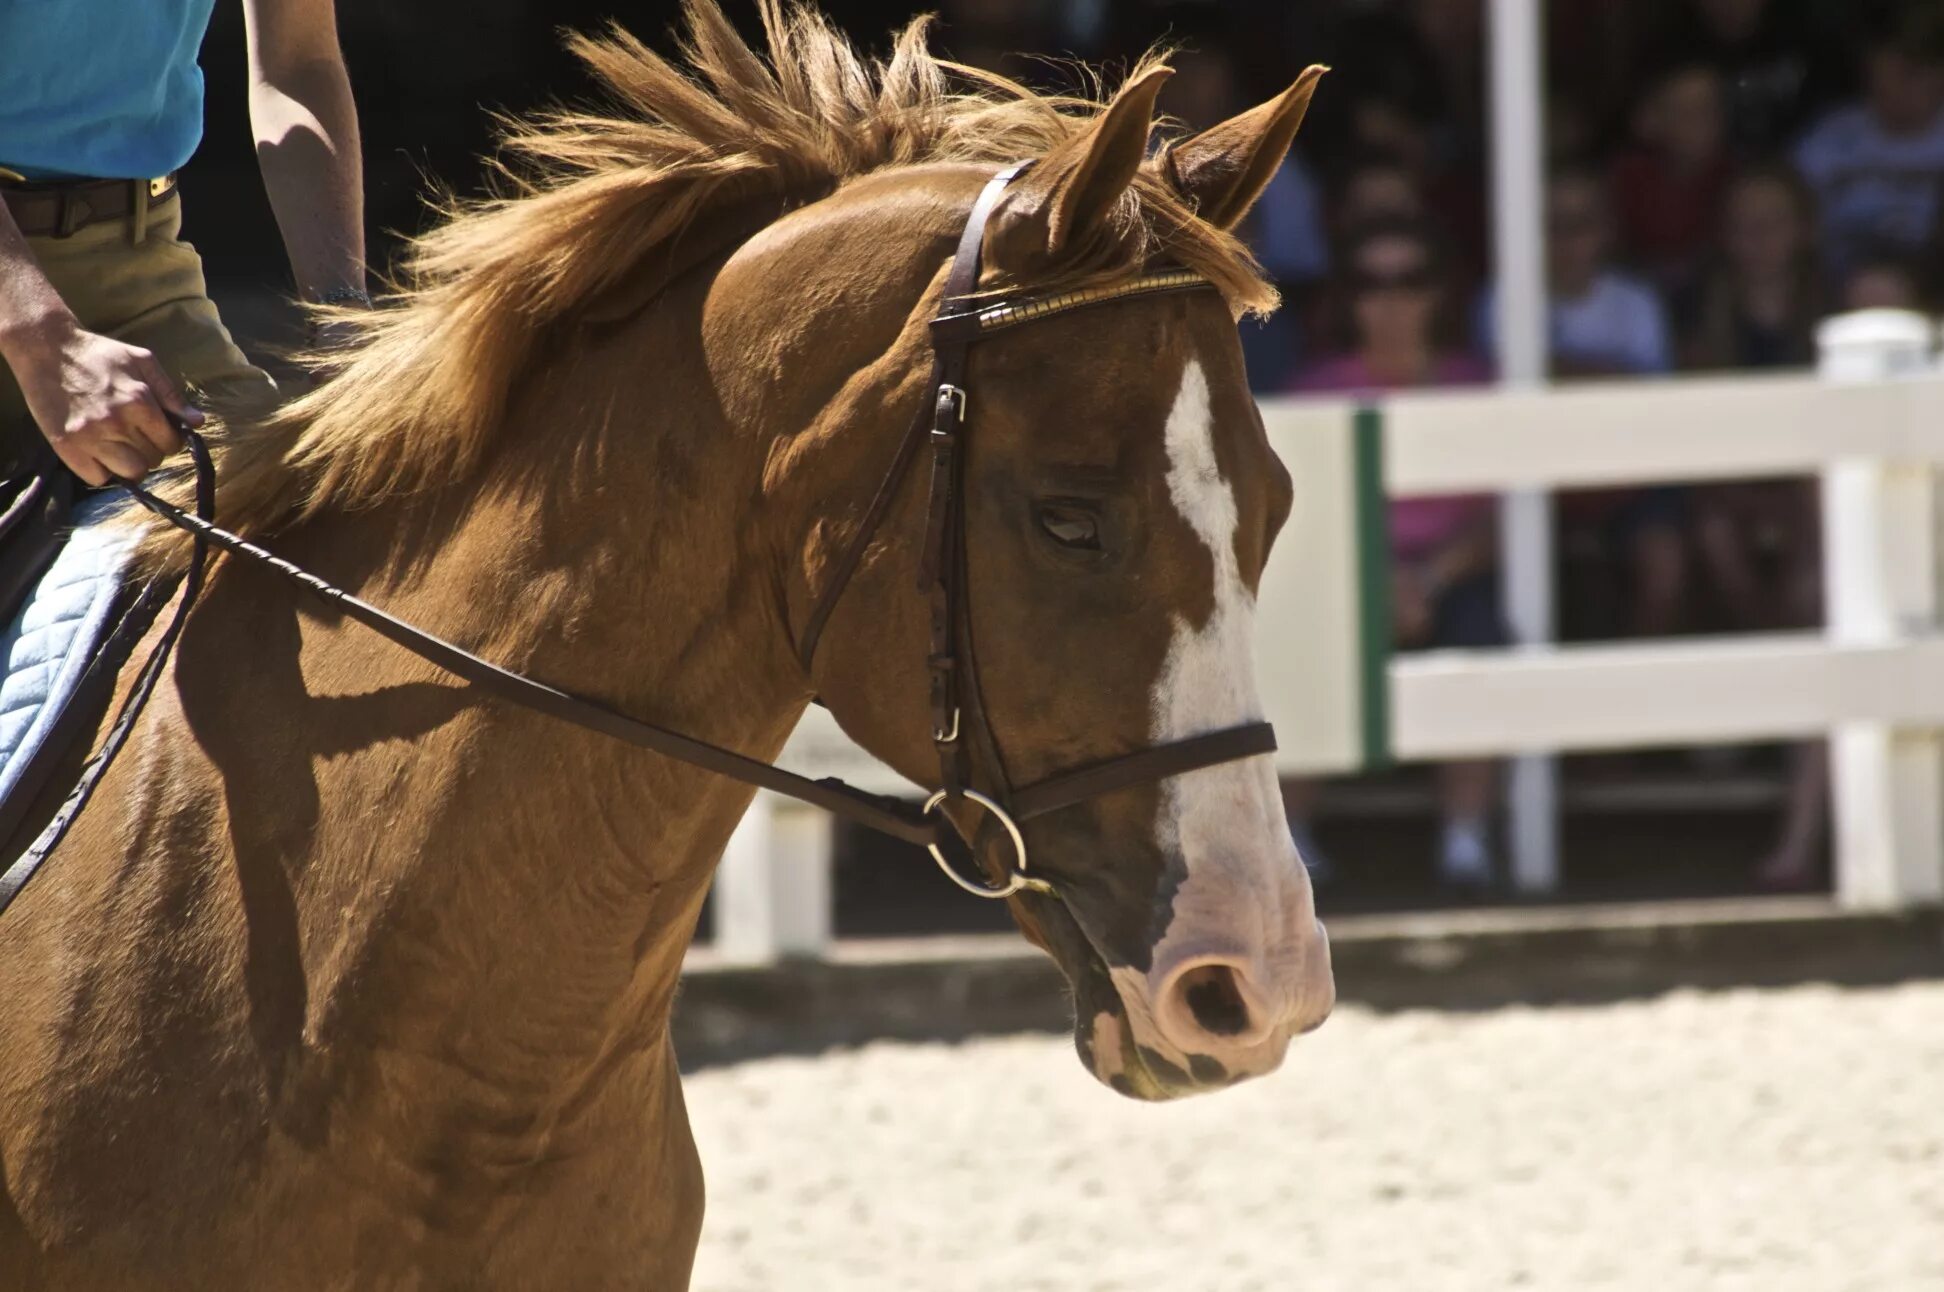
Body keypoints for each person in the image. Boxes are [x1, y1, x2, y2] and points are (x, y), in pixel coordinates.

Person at [0, 0, 366, 489]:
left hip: (141, 277)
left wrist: (341, 317)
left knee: (307, 510)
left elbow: (298, 64)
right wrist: (45, 342)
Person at [1288, 219, 1504, 896]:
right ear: (1347, 299)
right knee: (1299, 656)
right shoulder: (1312, 389)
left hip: (1454, 574)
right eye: (1370, 283)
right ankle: (1292, 843)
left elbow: (1501, 516)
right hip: (1342, 575)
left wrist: (1427, 580)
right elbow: (1299, 516)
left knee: (1478, 649)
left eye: (1410, 281)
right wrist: (1377, 582)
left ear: (1438, 294)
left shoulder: (1479, 384)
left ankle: (1465, 843)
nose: (1391, 300)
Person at [1794, 10, 1944, 276]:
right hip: (1836, 281)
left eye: (1907, 74)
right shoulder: (1832, 133)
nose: (1892, 88)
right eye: (1882, 75)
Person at [1681, 163, 1825, 371]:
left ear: (1803, 228)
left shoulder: (1834, 307)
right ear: (1725, 234)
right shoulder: (1694, 311)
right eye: (1743, 223)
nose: (1759, 237)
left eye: (1774, 222)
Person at [1611, 62, 1734, 298]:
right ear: (1649, 120)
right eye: (1685, 112)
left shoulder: (1738, 180)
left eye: (1708, 109)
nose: (1700, 123)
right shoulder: (1625, 178)